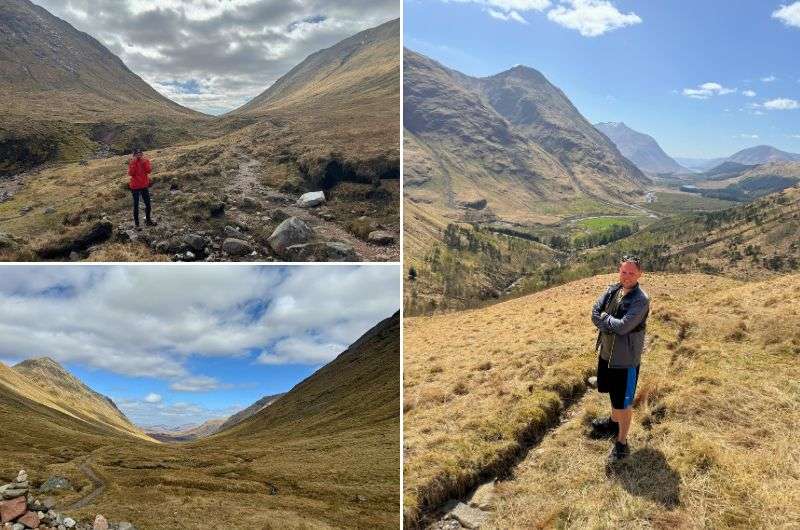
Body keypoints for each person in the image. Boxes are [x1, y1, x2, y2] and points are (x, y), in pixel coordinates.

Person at [590, 255, 650, 462]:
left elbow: (624, 326)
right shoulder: (612, 290)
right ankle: (613, 423)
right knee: (613, 396)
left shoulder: (641, 300)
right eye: (624, 271)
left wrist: (605, 319)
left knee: (624, 404)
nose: (626, 276)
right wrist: (609, 320)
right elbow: (594, 313)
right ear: (619, 271)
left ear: (640, 274)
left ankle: (622, 443)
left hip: (625, 362)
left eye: (631, 273)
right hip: (606, 354)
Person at [128, 147, 156, 228]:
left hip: (144, 185)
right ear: (134, 155)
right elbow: (131, 173)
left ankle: (148, 220)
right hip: (135, 186)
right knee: (136, 205)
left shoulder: (145, 160)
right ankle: (137, 224)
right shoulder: (132, 162)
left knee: (148, 204)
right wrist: (134, 163)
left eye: (140, 153)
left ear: (142, 154)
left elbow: (149, 171)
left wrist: (144, 163)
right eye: (137, 153)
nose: (138, 155)